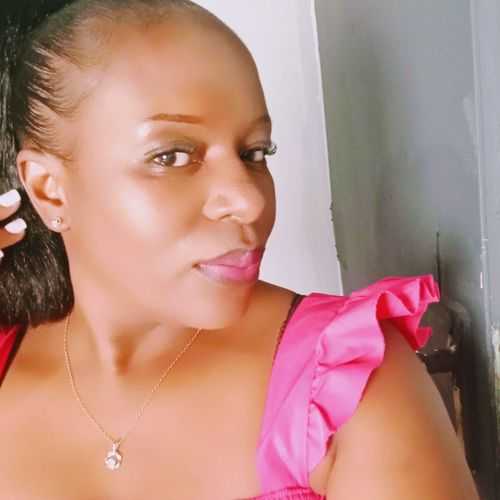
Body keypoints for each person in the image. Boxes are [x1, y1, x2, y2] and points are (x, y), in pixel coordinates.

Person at [0, 1, 479, 498]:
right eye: (172, 156)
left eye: (254, 152)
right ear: (50, 190)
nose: (250, 200)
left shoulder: (349, 384)